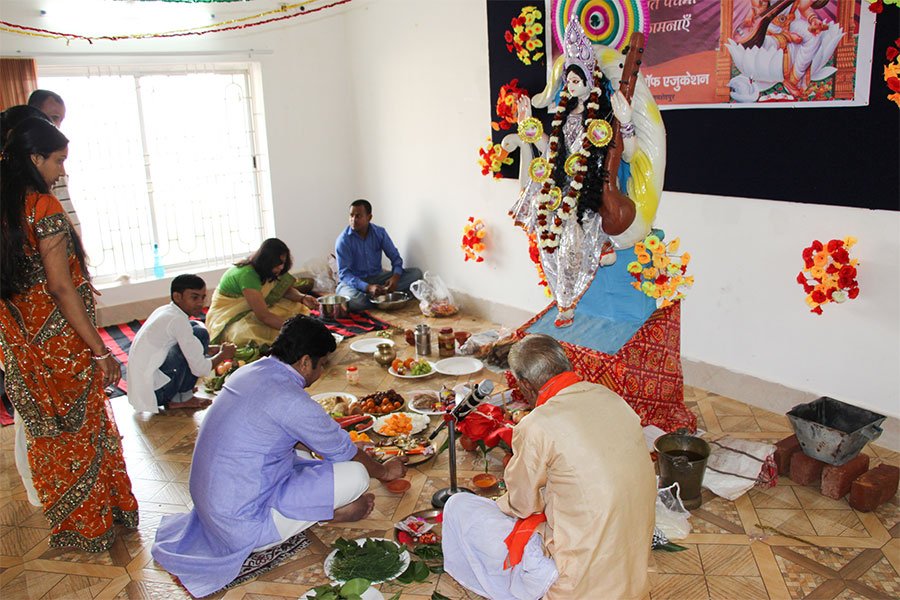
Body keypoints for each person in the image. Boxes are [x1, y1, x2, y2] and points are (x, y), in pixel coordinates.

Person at [152, 315, 407, 597]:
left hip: (213, 506)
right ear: (305, 361)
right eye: (321, 364)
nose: (321, 372)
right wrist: (385, 471)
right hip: (244, 524)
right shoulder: (289, 399)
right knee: (358, 474)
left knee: (313, 456)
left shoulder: (249, 372)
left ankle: (322, 510)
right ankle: (328, 514)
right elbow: (345, 452)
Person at [0, 117, 138, 551]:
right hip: (61, 345)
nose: (62, 171)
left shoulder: (5, 207)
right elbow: (61, 287)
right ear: (33, 158)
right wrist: (100, 350)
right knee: (81, 432)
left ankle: (74, 524)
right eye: (58, 160)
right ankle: (99, 521)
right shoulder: (43, 208)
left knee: (48, 437)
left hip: (19, 344)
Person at [442, 334, 656, 599]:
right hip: (631, 570)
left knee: (460, 507)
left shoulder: (537, 425)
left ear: (525, 385)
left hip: (577, 585)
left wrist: (518, 497)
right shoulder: (611, 398)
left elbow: (522, 505)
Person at [509, 20, 665, 327]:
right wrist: (526, 126)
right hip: (564, 188)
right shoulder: (563, 118)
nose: (570, 84)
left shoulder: (607, 116)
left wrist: (626, 120)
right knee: (546, 237)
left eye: (576, 78)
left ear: (590, 80)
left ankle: (570, 299)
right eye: (567, 79)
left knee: (572, 237)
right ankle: (562, 297)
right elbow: (549, 151)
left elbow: (630, 154)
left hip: (592, 191)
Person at [126, 274, 237, 413]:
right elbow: (200, 369)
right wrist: (223, 355)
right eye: (194, 297)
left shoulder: (166, 310)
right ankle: (182, 398)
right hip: (155, 394)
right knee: (200, 333)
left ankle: (179, 393)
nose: (200, 302)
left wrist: (208, 349)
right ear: (177, 297)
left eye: (203, 297)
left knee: (194, 328)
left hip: (144, 390)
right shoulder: (177, 321)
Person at [205, 238, 318, 346]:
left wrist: (302, 298)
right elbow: (264, 316)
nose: (281, 267)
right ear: (266, 261)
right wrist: (294, 330)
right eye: (278, 263)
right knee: (246, 333)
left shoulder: (270, 270)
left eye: (283, 262)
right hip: (229, 317)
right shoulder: (248, 275)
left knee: (293, 307)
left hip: (255, 309)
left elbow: (283, 290)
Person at [335, 199, 423, 312]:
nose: (353, 220)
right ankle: (380, 297)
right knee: (356, 301)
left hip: (377, 278)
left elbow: (396, 259)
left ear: (369, 217)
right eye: (351, 216)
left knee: (416, 273)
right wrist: (367, 287)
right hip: (352, 283)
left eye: (358, 216)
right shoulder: (343, 240)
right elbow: (345, 274)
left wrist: (395, 278)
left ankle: (379, 295)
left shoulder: (380, 233)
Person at [27, 89, 81, 235]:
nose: (57, 125)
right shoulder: (28, 160)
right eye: (54, 117)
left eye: (60, 120)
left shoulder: (55, 149)